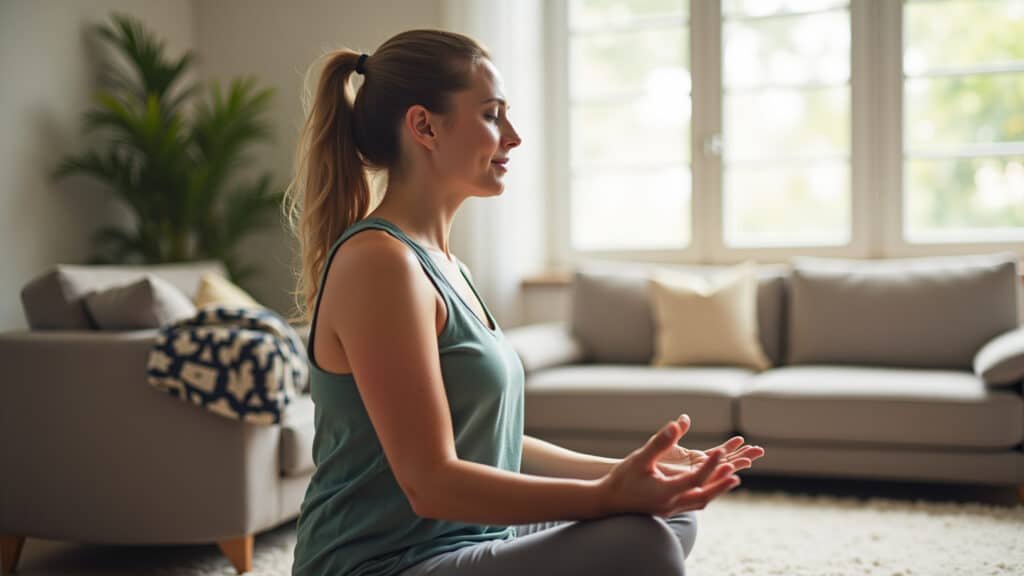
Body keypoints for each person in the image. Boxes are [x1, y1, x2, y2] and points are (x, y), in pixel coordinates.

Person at [283, 29, 766, 576]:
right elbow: (430, 484)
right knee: (642, 543)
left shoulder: (447, 265)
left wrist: (631, 473)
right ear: (424, 126)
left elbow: (492, 441)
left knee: (671, 518)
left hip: (463, 541)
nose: (512, 136)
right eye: (491, 115)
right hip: (382, 564)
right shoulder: (380, 263)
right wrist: (609, 495)